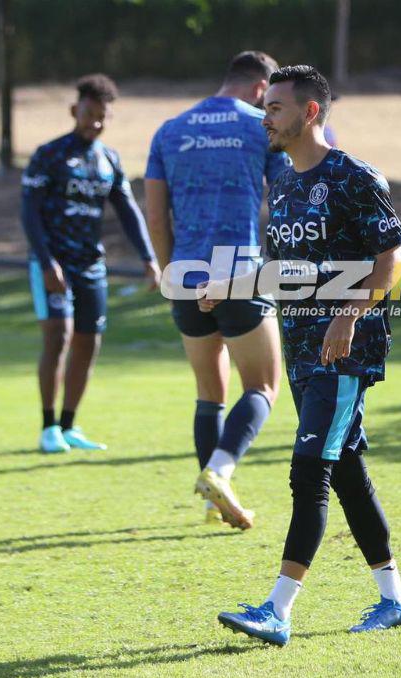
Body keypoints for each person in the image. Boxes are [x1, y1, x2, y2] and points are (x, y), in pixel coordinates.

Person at [214, 65, 401, 645]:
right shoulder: (283, 183)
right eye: (265, 108)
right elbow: (280, 271)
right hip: (301, 351)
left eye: (275, 108)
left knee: (309, 473)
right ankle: (395, 599)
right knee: (346, 470)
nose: (266, 118)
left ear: (309, 113)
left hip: (343, 354)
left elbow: (392, 261)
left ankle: (277, 610)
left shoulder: (354, 176)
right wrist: (227, 286)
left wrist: (347, 316)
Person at [144, 51, 289, 530]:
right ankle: (219, 472)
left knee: (209, 393)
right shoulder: (261, 127)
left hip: (184, 276)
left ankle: (212, 504)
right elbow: (287, 199)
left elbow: (155, 216)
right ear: (261, 88)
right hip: (239, 273)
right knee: (263, 386)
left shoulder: (169, 130)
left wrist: (169, 272)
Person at [21, 74, 159, 454]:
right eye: (89, 114)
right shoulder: (48, 156)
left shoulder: (108, 160)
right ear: (74, 110)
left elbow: (128, 211)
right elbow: (29, 213)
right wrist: (46, 263)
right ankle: (48, 426)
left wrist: (148, 258)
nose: (95, 123)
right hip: (53, 263)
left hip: (91, 266)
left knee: (88, 341)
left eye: (102, 117)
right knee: (58, 336)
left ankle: (69, 426)